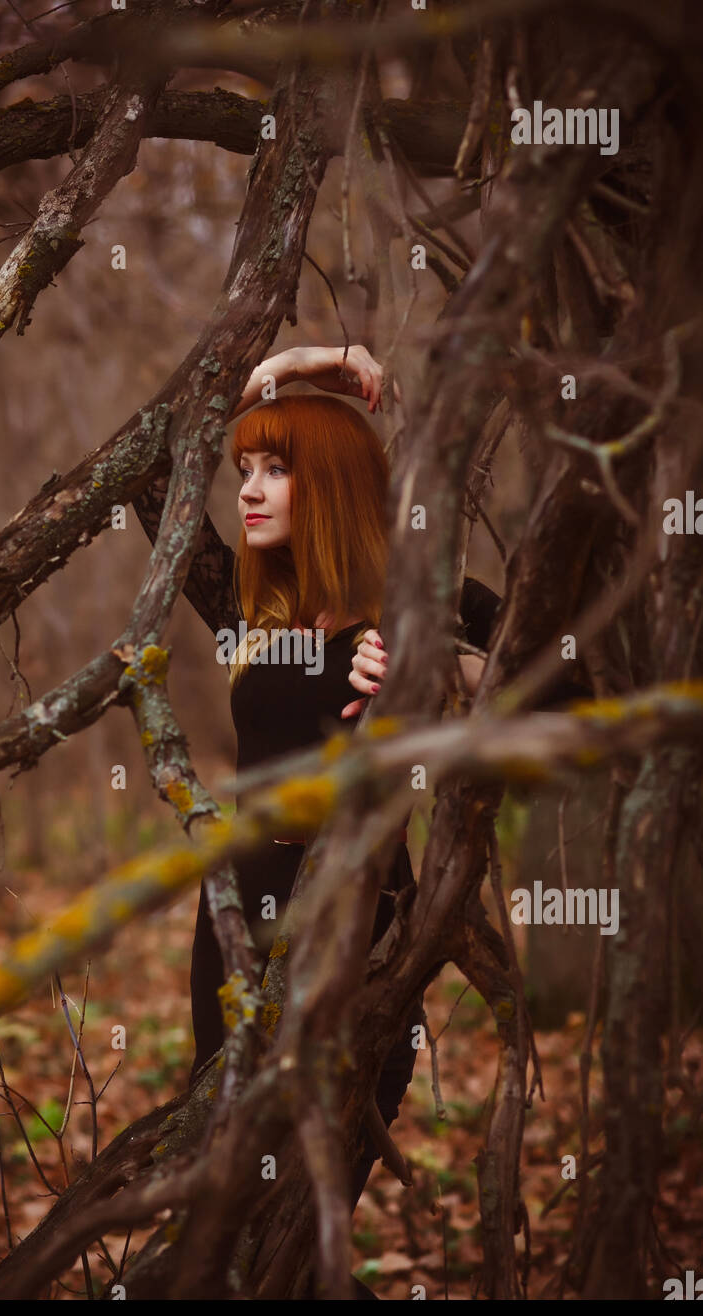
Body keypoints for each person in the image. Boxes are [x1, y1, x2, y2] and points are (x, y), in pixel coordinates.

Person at [131, 345, 501, 1221]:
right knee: (230, 1203)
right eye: (244, 471)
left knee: (311, 1199)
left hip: (364, 931)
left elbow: (569, 672)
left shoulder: (416, 600)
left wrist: (442, 667)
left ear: (331, 485)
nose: (248, 490)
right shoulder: (250, 614)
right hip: (238, 925)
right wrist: (292, 365)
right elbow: (150, 472)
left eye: (276, 470)